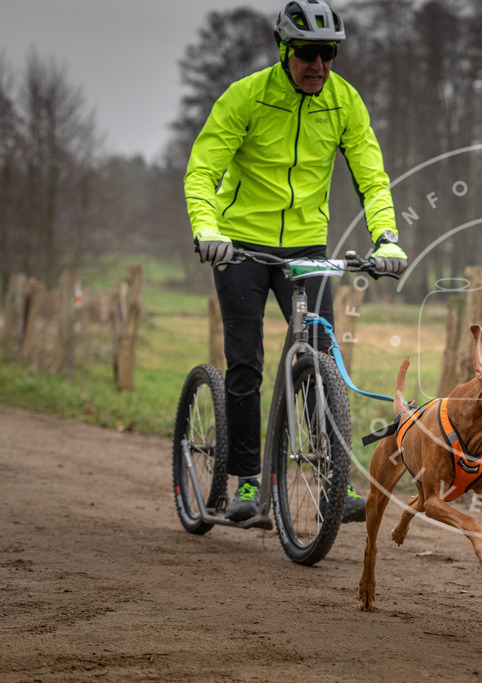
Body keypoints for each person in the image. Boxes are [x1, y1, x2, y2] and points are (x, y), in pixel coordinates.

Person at [183, 0, 407, 523]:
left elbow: (371, 177)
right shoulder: (247, 97)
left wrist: (388, 238)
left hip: (306, 248)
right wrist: (207, 229)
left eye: (328, 53)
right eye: (308, 53)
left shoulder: (344, 102)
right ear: (285, 50)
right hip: (239, 245)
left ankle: (331, 483)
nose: (319, 66)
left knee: (318, 356)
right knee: (246, 362)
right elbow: (202, 171)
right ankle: (245, 483)